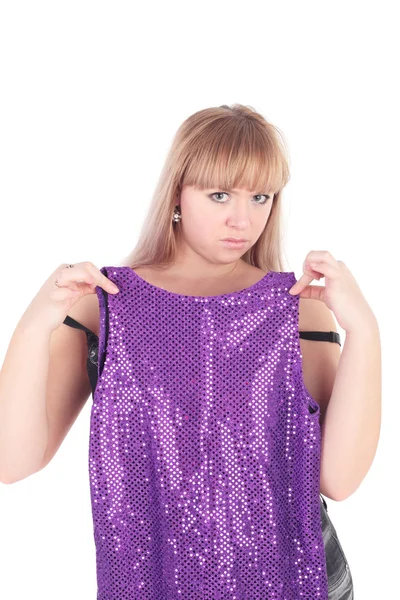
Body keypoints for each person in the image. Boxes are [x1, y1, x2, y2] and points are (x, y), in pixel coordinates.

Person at [0, 104, 356, 599]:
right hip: (157, 578)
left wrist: (365, 330)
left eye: (260, 197)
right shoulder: (105, 306)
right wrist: (36, 322)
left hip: (292, 577)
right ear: (177, 195)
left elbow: (336, 481)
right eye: (219, 194)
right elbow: (11, 461)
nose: (242, 218)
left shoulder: (297, 308)